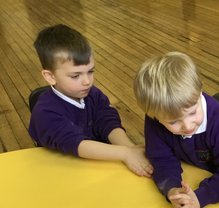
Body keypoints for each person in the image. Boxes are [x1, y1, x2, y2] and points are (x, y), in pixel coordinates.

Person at [133, 51, 219, 208]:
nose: (187, 125)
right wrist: (172, 190)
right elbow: (162, 160)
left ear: (199, 91)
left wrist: (199, 197)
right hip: (192, 178)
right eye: (173, 122)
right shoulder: (155, 119)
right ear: (154, 115)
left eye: (193, 112)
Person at [29, 24, 153, 177]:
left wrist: (129, 148)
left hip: (99, 165)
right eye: (76, 76)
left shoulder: (92, 93)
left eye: (90, 71)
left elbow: (107, 120)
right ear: (50, 76)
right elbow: (75, 143)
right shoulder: (45, 112)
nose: (87, 81)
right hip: (63, 172)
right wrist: (125, 153)